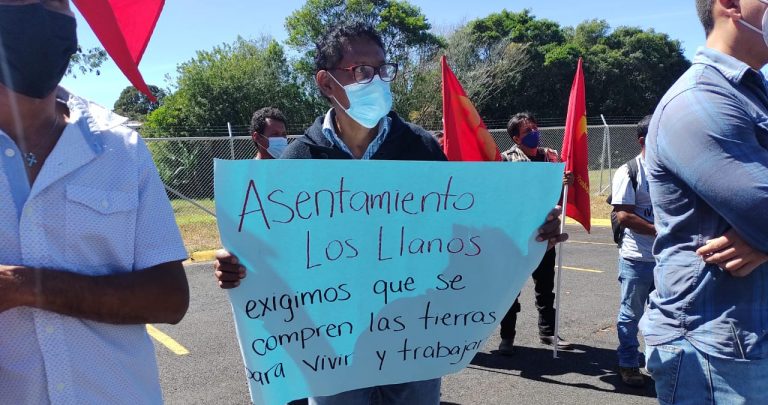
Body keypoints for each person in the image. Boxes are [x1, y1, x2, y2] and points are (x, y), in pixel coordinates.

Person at [214, 23, 568, 405]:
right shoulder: (298, 161)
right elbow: (275, 256)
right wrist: (238, 268)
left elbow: (464, 229)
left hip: (413, 340)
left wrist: (529, 228)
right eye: (362, 71)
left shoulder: (420, 147)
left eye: (383, 70)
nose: (377, 81)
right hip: (333, 348)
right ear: (326, 82)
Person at [0, 1, 190, 402]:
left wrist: (23, 287)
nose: (43, 12)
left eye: (56, 2)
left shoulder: (120, 146)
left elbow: (170, 297)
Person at [641, 0, 768, 403]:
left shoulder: (750, 93)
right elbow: (762, 208)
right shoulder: (699, 99)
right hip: (717, 348)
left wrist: (761, 240)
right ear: (729, 5)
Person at [497, 112, 574, 355]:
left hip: (546, 233)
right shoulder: (505, 160)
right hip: (516, 237)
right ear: (515, 138)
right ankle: (507, 337)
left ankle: (548, 332)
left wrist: (566, 182)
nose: (534, 133)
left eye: (535, 128)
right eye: (527, 131)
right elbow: (501, 194)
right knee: (510, 289)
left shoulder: (551, 157)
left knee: (545, 287)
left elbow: (558, 194)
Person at [610, 115, 656, 387]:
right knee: (631, 315)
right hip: (637, 259)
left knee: (661, 315)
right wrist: (659, 231)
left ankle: (656, 363)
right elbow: (624, 216)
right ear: (643, 141)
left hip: (666, 260)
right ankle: (628, 363)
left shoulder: (671, 170)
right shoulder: (629, 171)